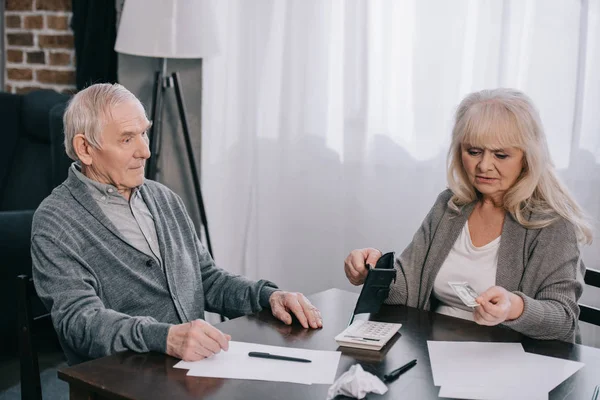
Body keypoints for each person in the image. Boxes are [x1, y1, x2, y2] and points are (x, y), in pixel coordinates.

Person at [32, 83, 322, 365]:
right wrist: (165, 337)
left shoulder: (163, 198)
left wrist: (266, 296)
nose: (144, 150)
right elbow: (80, 321)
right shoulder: (56, 221)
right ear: (84, 149)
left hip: (195, 369)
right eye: (126, 139)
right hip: (125, 376)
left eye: (144, 133)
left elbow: (205, 278)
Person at [344, 88, 592, 342]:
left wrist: (514, 307)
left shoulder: (553, 225)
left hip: (507, 365)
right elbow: (407, 290)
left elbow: (563, 320)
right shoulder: (451, 206)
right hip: (434, 356)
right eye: (473, 152)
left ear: (527, 158)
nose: (484, 166)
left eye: (501, 155)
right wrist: (373, 271)